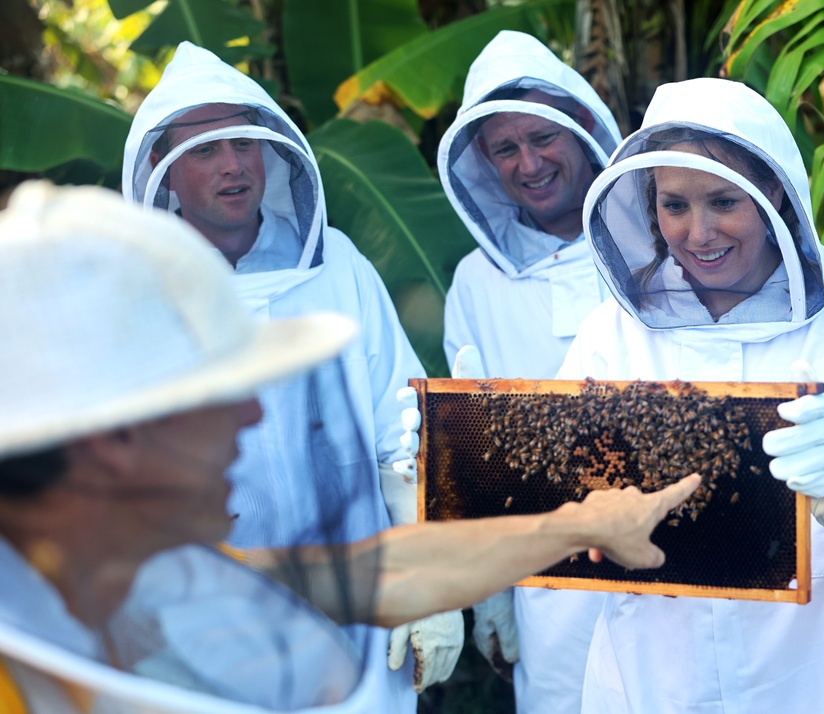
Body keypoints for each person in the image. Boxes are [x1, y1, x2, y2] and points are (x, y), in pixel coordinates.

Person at [0, 181, 703, 713]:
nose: (251, 413)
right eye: (217, 394)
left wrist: (579, 525)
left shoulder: (127, 569)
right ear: (115, 440)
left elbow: (371, 573)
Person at [558, 77, 824, 713]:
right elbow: (560, 513)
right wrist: (451, 453)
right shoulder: (612, 335)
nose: (699, 233)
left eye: (724, 201)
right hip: (659, 684)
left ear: (773, 189)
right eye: (674, 205)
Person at [120, 42, 463, 708]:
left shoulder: (337, 266)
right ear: (164, 170)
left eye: (243, 144)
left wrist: (431, 586)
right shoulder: (137, 295)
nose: (232, 166)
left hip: (356, 619)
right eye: (205, 151)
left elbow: (406, 430)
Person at [432, 30, 620, 712]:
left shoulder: (660, 245)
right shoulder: (475, 284)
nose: (530, 163)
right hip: (546, 579)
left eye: (544, 138)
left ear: (583, 131)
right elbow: (472, 448)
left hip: (674, 553)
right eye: (505, 148)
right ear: (483, 161)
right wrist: (493, 596)